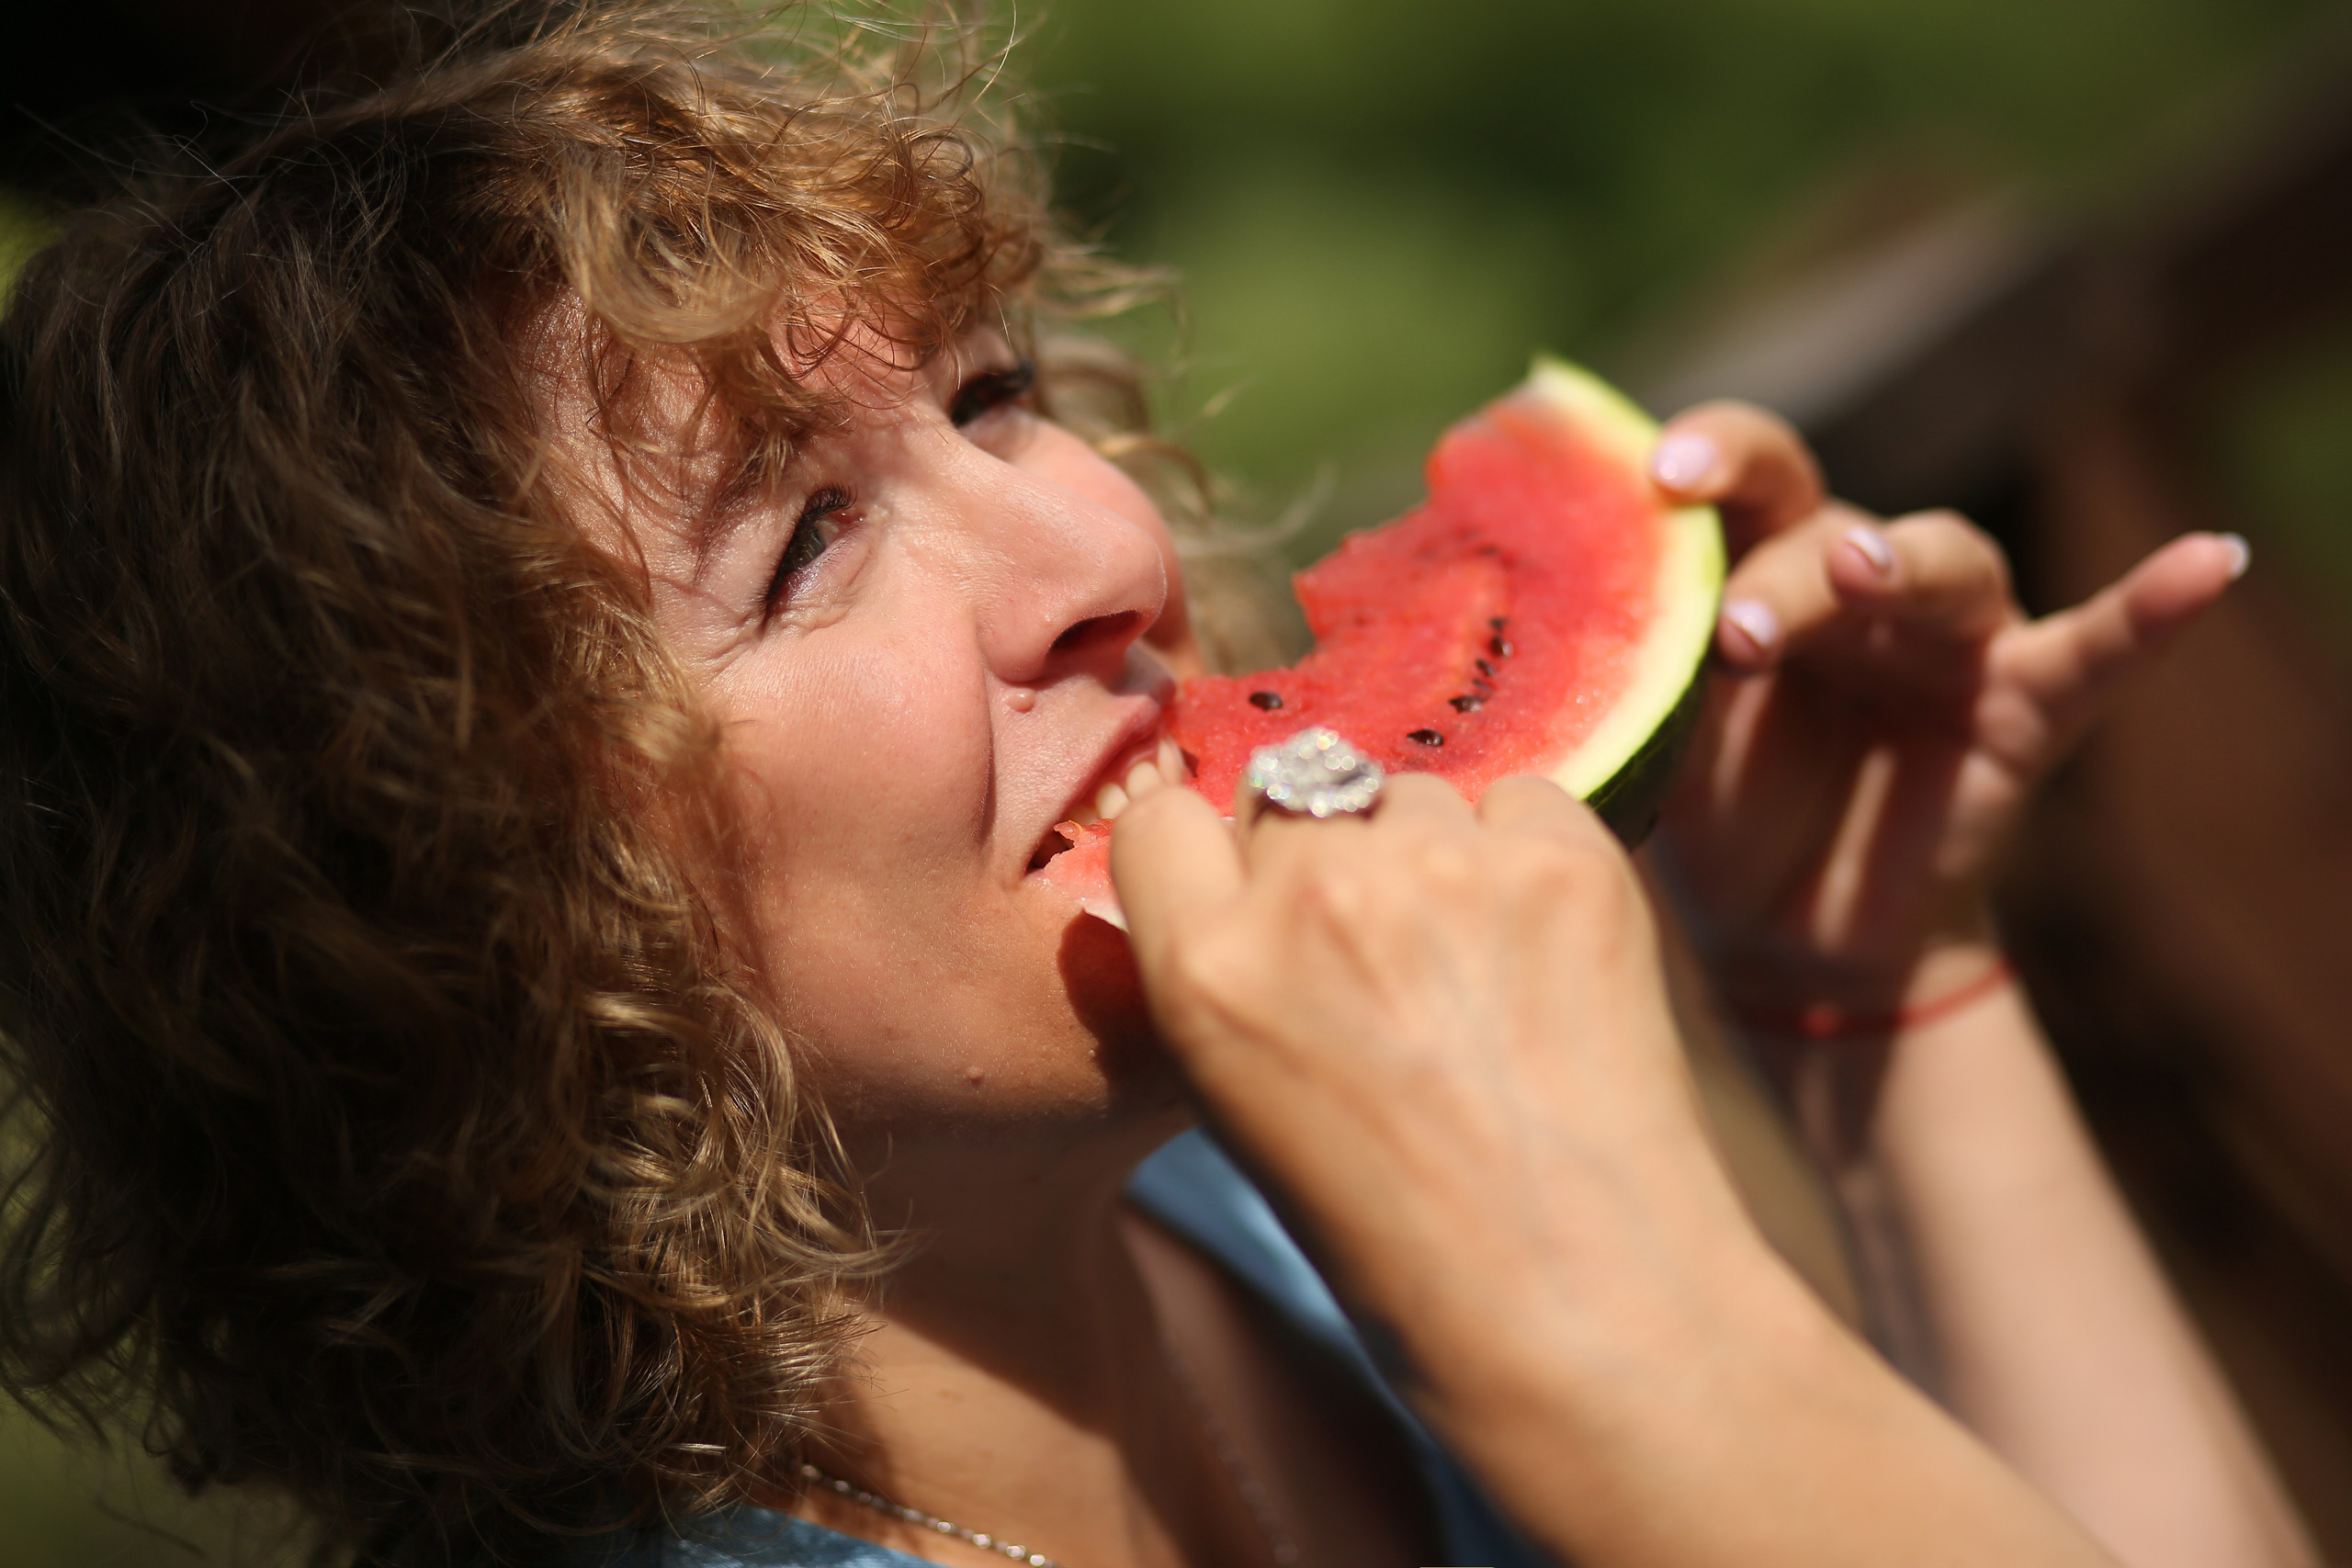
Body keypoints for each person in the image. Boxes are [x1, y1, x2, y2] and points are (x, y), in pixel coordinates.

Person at [0, 5, 2312, 1567]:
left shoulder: (1244, 1218)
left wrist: (1879, 984)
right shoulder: (1456, 1243)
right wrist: (1621, 1329)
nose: (1109, 550)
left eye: (995, 398)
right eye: (802, 536)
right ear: (423, 900)